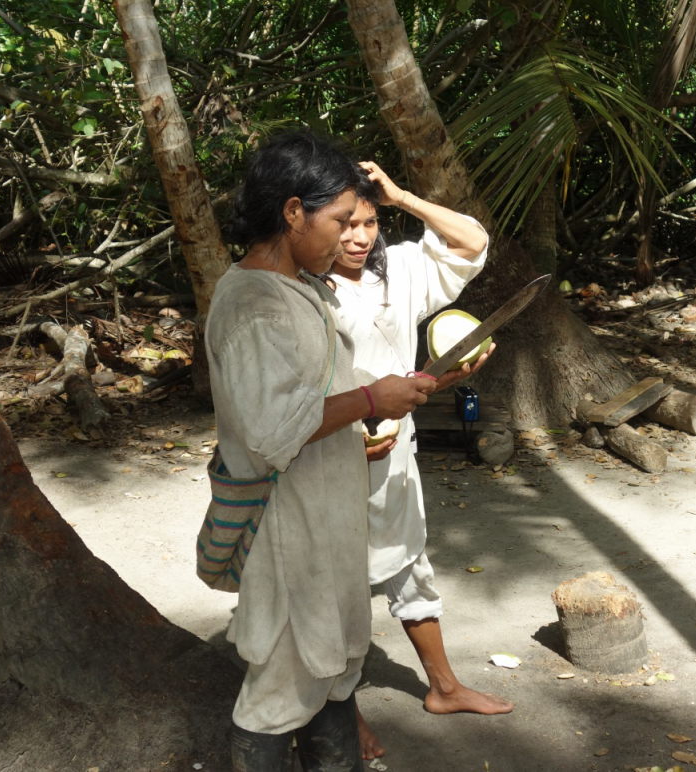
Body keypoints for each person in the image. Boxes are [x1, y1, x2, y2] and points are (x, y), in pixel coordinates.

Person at [206, 132, 436, 771]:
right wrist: (371, 402)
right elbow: (274, 430)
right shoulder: (254, 303)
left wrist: (379, 399)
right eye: (337, 221)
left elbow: (312, 398)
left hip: (325, 518)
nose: (347, 238)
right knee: (281, 683)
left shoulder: (301, 287)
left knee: (332, 666)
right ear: (291, 212)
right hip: (289, 530)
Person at [328, 160, 514, 760]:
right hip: (325, 458)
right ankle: (340, 714)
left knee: (409, 563)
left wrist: (404, 196)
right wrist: (347, 427)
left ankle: (444, 686)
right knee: (336, 589)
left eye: (369, 222)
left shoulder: (398, 270)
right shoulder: (297, 291)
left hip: (394, 451)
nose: (359, 237)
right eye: (345, 224)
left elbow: (471, 241)